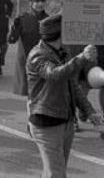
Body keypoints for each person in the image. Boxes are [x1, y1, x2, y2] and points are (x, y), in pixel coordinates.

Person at [26, 13, 101, 177]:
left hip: (65, 121)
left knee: (53, 173)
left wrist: (89, 111)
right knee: (57, 174)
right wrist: (81, 58)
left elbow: (73, 86)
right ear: (59, 34)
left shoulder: (62, 52)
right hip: (46, 122)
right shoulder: (37, 55)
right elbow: (54, 74)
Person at [8, 0, 48, 96]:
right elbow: (11, 40)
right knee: (28, 93)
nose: (40, 4)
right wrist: (14, 28)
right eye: (37, 1)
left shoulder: (48, 20)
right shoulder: (23, 19)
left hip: (42, 61)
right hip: (26, 60)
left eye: (42, 1)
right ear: (31, 3)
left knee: (42, 93)